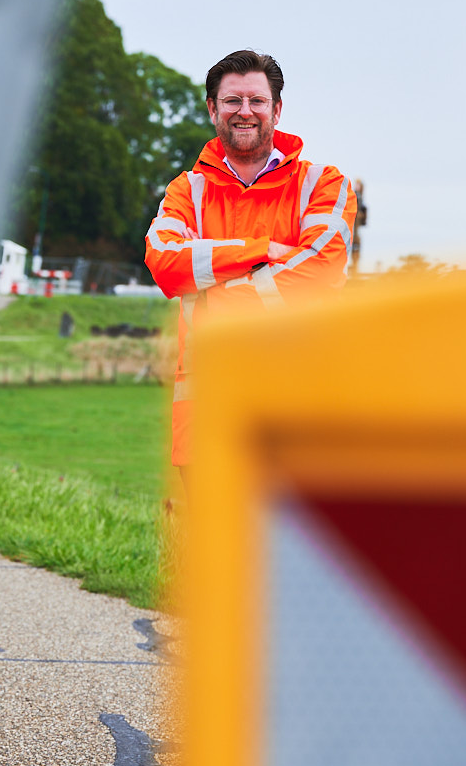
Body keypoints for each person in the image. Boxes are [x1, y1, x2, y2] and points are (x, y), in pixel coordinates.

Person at [144, 49, 360, 471]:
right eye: (232, 101)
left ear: (277, 110)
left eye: (257, 101)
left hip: (298, 410)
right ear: (212, 109)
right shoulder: (188, 190)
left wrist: (213, 292)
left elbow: (318, 270)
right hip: (206, 415)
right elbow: (164, 262)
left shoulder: (323, 185)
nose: (245, 112)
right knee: (207, 539)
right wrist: (261, 251)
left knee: (287, 539)